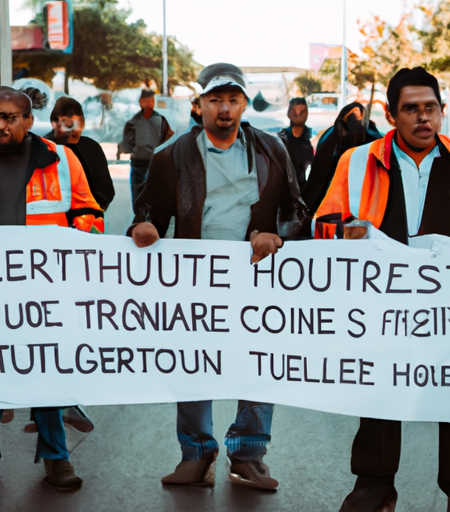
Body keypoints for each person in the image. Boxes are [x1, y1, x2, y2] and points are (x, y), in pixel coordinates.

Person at [313, 67, 450, 512]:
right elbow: (321, 223)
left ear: (442, 109)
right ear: (391, 115)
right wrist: (345, 234)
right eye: (410, 109)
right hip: (382, 305)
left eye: (429, 107)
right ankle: (374, 486)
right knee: (380, 388)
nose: (422, 118)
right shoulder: (355, 162)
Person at [128, 63, 307, 490]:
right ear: (200, 104)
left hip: (255, 278)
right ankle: (196, 454)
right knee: (193, 364)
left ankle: (247, 455)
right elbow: (148, 207)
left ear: (244, 103)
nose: (224, 109)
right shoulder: (172, 154)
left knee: (260, 363)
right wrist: (146, 226)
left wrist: (276, 236)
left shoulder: (271, 150)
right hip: (195, 282)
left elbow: (298, 211)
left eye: (232, 100)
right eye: (215, 100)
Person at [0, 86, 105, 491]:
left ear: (28, 120)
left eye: (10, 117)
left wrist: (71, 249)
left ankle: (57, 459)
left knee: (45, 369)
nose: (0, 125)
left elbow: (89, 213)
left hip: (45, 290)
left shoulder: (62, 160)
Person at [303, 102, 382, 215]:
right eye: (353, 120)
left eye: (360, 120)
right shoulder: (330, 141)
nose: (357, 125)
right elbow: (318, 182)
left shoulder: (373, 140)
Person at [45, 96, 115, 216]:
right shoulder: (44, 148)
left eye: (78, 124)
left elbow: (106, 190)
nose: (74, 130)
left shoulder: (91, 147)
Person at [117, 89, 173, 204]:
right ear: (140, 102)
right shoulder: (134, 121)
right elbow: (127, 142)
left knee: (151, 200)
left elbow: (170, 141)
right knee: (142, 200)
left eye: (150, 101)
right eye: (145, 102)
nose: (148, 104)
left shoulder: (161, 121)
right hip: (140, 164)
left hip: (155, 165)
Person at [278, 97, 313, 192]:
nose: (298, 114)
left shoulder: (311, 139)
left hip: (303, 192)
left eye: (302, 111)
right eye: (295, 111)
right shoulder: (282, 140)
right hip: (285, 193)